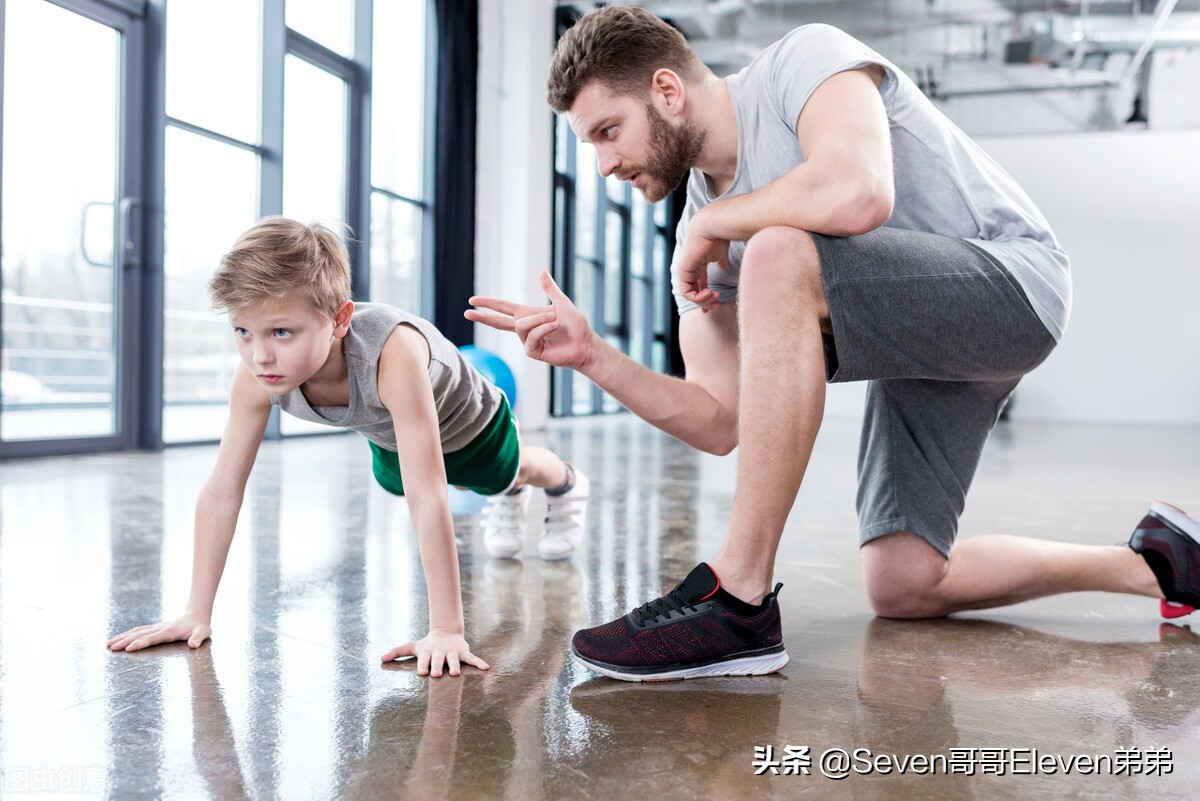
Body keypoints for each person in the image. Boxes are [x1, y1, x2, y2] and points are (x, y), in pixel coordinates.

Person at [466, 6, 1200, 681]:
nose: (603, 165)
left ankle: (739, 597)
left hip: (1012, 283)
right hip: (919, 340)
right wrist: (596, 356)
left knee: (781, 250)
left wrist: (721, 226)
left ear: (666, 89)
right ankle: (1159, 562)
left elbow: (857, 192)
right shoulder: (704, 218)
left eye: (606, 131)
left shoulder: (801, 62)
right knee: (904, 582)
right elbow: (723, 419)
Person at [107, 217, 589, 677]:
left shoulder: (393, 352)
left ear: (339, 320)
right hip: (391, 435)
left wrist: (446, 630)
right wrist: (196, 612)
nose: (260, 354)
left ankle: (565, 481)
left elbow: (430, 495)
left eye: (281, 332)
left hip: (471, 424)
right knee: (395, 480)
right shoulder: (257, 375)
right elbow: (222, 490)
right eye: (242, 332)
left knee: (506, 472)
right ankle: (507, 491)